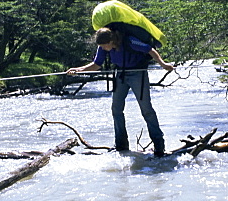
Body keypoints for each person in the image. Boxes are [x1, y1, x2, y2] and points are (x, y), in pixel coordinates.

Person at [68, 27, 174, 156]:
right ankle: (121, 146)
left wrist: (163, 64)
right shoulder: (103, 46)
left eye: (105, 46)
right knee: (116, 109)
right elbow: (96, 65)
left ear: (112, 40)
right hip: (120, 75)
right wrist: (78, 70)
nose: (104, 48)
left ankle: (159, 146)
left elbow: (150, 50)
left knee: (146, 109)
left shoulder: (130, 41)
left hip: (137, 73)